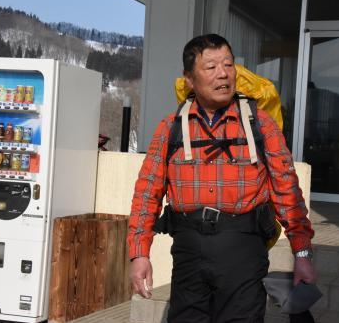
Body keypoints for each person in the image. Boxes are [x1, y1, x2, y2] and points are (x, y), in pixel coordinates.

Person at [127, 34, 316, 323]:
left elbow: (286, 191)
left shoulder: (259, 123)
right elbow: (146, 194)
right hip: (188, 253)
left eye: (228, 64)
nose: (223, 73)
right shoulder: (171, 128)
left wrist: (301, 254)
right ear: (189, 79)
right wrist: (139, 254)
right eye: (211, 66)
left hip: (244, 251)